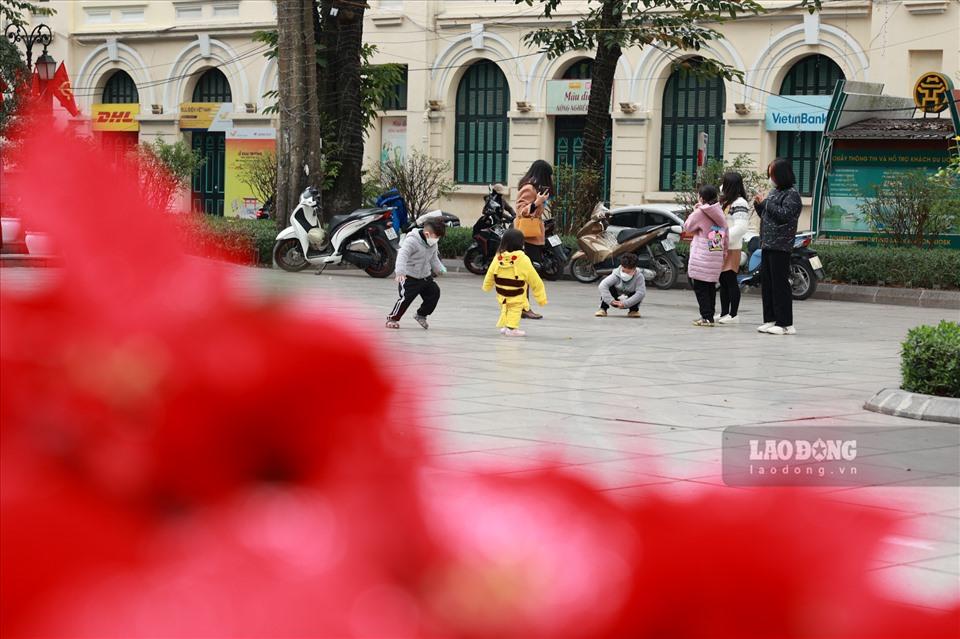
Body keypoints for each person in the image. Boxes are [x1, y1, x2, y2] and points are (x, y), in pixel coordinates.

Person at [755, 158, 802, 335]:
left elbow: (784, 215)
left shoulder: (792, 195)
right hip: (767, 244)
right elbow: (768, 216)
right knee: (767, 284)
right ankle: (770, 319)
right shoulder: (774, 192)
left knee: (780, 284)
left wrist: (766, 203)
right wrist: (759, 204)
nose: (770, 178)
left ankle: (785, 323)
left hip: (781, 246)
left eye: (772, 174)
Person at [482, 228, 547, 337]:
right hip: (516, 292)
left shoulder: (499, 257)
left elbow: (490, 273)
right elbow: (535, 280)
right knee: (515, 309)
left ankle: (506, 327)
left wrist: (487, 286)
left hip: (502, 292)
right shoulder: (523, 259)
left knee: (505, 307)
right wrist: (541, 298)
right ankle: (511, 328)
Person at [385, 218, 447, 329]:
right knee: (406, 298)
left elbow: (434, 258)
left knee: (434, 293)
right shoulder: (412, 241)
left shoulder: (433, 244)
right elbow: (402, 256)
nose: (437, 239)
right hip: (409, 276)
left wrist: (439, 269)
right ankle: (392, 318)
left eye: (439, 237)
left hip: (425, 276)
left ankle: (421, 315)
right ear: (427, 233)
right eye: (436, 236)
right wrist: (400, 272)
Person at [514, 160, 554, 320]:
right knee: (526, 274)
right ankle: (523, 307)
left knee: (528, 273)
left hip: (532, 235)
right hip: (526, 237)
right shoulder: (529, 188)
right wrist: (537, 202)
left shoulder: (535, 188)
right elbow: (521, 211)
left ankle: (523, 307)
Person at [683, 184, 728, 327]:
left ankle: (706, 317)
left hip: (702, 253)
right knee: (710, 287)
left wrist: (695, 210)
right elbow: (725, 234)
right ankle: (710, 316)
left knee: (701, 287)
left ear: (701, 198)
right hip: (715, 250)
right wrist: (724, 251)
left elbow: (688, 227)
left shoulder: (700, 212)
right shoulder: (719, 212)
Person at [717, 172, 751, 324]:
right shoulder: (725, 201)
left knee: (730, 280)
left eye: (724, 182)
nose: (721, 185)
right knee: (722, 280)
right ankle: (724, 312)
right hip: (720, 245)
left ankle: (733, 314)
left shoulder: (740, 203)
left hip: (731, 247)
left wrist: (723, 239)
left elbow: (741, 227)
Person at [595, 253, 645, 318]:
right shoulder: (616, 274)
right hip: (615, 299)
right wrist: (611, 301)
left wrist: (625, 303)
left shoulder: (639, 276)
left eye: (628, 272)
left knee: (638, 293)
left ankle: (633, 311)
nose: (625, 274)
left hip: (630, 300)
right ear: (621, 266)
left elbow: (641, 293)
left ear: (635, 269)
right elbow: (602, 285)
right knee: (608, 287)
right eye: (624, 271)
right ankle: (603, 309)